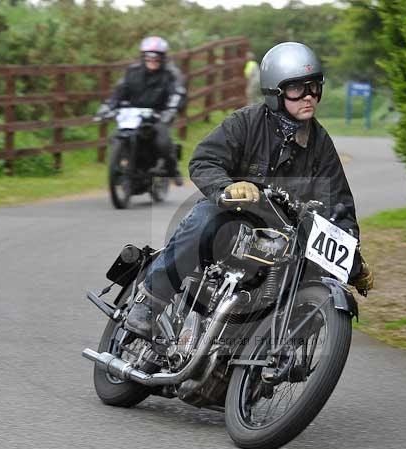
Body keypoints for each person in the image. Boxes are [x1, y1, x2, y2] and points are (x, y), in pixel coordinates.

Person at [125, 41, 374, 339]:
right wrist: (227, 187)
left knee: (318, 280)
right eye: (297, 89)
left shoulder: (321, 145)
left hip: (281, 241)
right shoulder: (246, 122)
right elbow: (204, 160)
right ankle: (151, 299)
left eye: (314, 87)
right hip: (233, 224)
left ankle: (274, 352)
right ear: (275, 93)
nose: (309, 96)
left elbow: (340, 207)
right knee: (206, 217)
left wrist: (352, 260)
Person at [104, 36, 187, 185]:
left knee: (162, 141)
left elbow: (178, 92)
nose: (152, 60)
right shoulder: (132, 71)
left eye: (156, 56)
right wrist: (108, 106)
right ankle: (122, 164)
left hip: (159, 114)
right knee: (116, 136)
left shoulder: (171, 73)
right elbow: (120, 90)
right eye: (148, 56)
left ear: (162, 57)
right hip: (133, 114)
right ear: (143, 56)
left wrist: (172, 108)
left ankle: (172, 168)